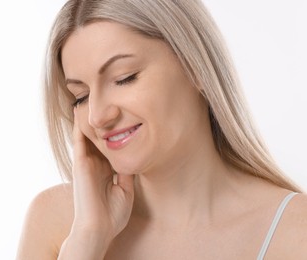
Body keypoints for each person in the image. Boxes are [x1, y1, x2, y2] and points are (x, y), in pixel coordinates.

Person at [17, 0, 307, 259]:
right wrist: (87, 239)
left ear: (195, 66)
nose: (96, 116)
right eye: (80, 96)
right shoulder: (57, 223)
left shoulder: (296, 232)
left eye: (124, 78)